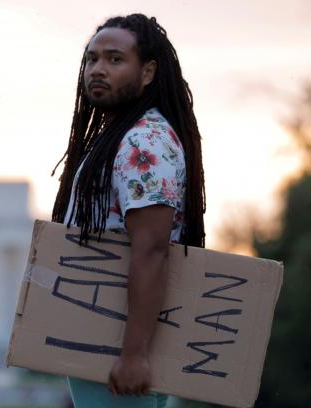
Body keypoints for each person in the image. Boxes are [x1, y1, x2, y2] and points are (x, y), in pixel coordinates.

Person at [50, 13, 206, 408]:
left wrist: (134, 355)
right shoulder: (122, 137)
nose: (98, 69)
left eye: (115, 59)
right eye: (92, 59)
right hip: (104, 339)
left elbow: (152, 250)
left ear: (148, 72)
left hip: (120, 348)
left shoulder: (144, 143)